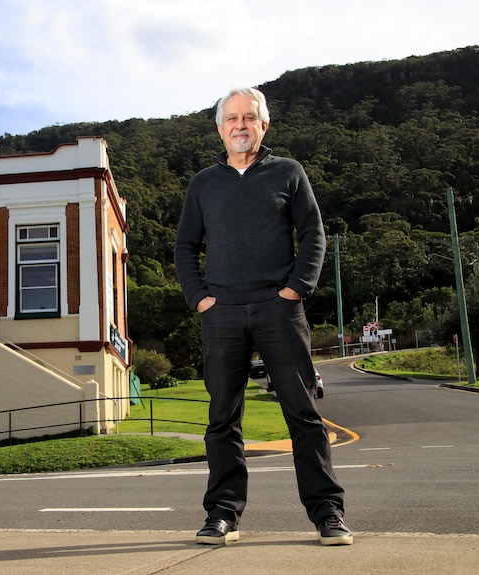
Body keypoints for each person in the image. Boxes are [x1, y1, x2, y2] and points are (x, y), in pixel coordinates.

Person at [174, 87, 352, 547]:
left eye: (248, 118)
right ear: (219, 127)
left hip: (279, 309)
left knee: (304, 414)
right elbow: (184, 247)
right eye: (231, 118)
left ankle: (328, 514)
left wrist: (295, 290)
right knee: (222, 419)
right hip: (222, 313)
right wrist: (200, 299)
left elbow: (313, 233)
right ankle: (222, 515)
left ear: (263, 125)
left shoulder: (288, 173)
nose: (239, 125)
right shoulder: (203, 183)